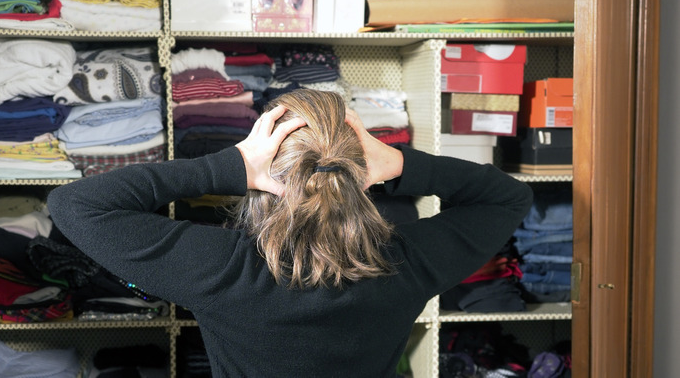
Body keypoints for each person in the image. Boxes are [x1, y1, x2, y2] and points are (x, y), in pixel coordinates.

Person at [47, 89, 533, 377]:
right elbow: (507, 197)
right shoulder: (406, 262)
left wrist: (229, 166)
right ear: (361, 167)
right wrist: (400, 163)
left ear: (268, 171)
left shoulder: (221, 267)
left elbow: (75, 204)